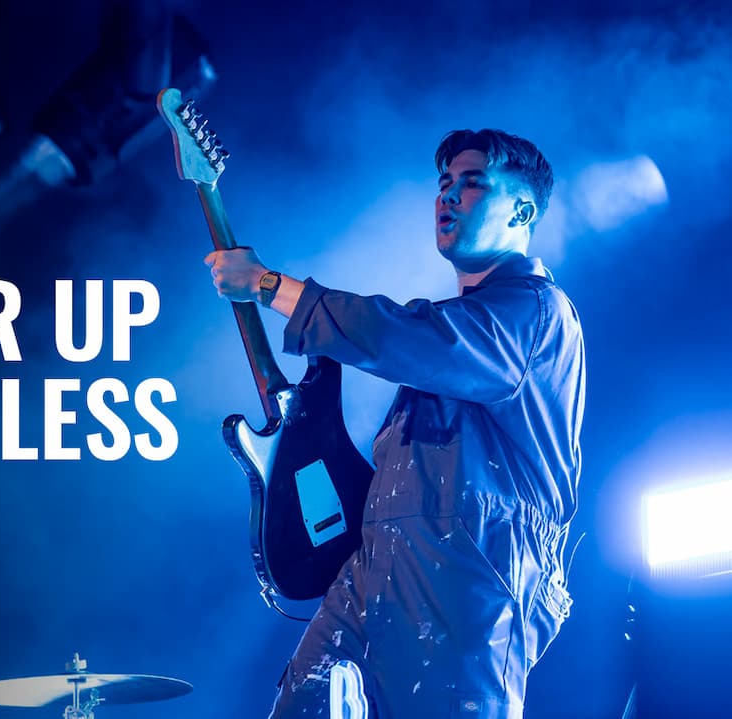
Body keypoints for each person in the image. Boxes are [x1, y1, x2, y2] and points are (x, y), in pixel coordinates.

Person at [205, 129, 585, 719]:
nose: (448, 197)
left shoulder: (534, 311)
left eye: (472, 183)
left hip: (470, 577)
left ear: (523, 210)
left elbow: (403, 338)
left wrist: (268, 285)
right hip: (378, 570)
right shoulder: (448, 346)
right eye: (443, 185)